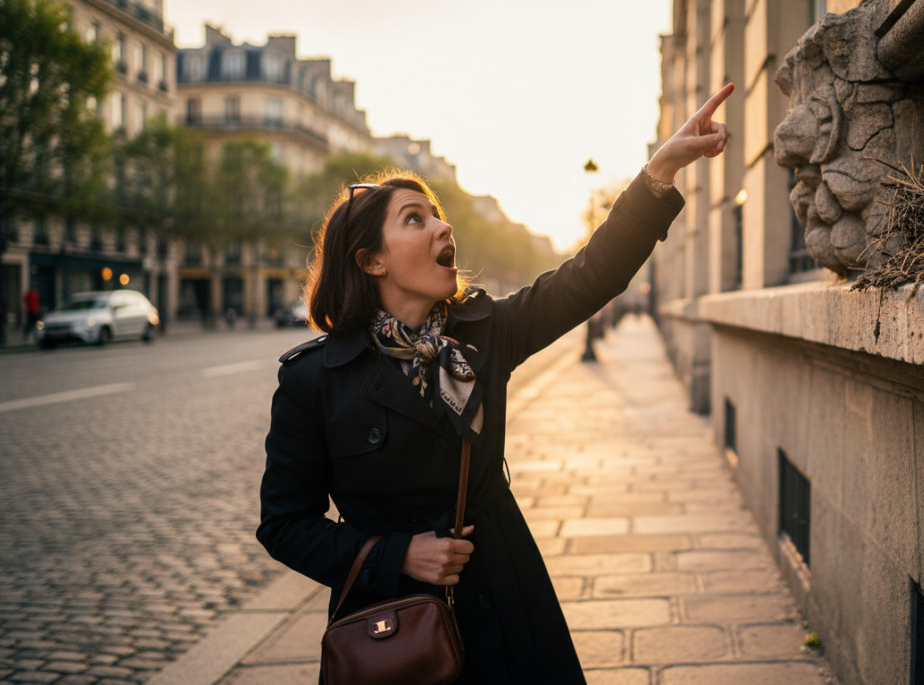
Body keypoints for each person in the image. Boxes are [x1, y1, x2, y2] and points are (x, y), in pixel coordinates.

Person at [256, 83, 734, 683]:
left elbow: (591, 275)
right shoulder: (313, 380)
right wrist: (395, 555)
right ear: (371, 261)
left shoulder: (484, 334)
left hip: (508, 608)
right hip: (395, 631)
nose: (441, 226)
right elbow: (284, 526)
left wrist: (659, 172)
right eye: (415, 219)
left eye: (437, 213)